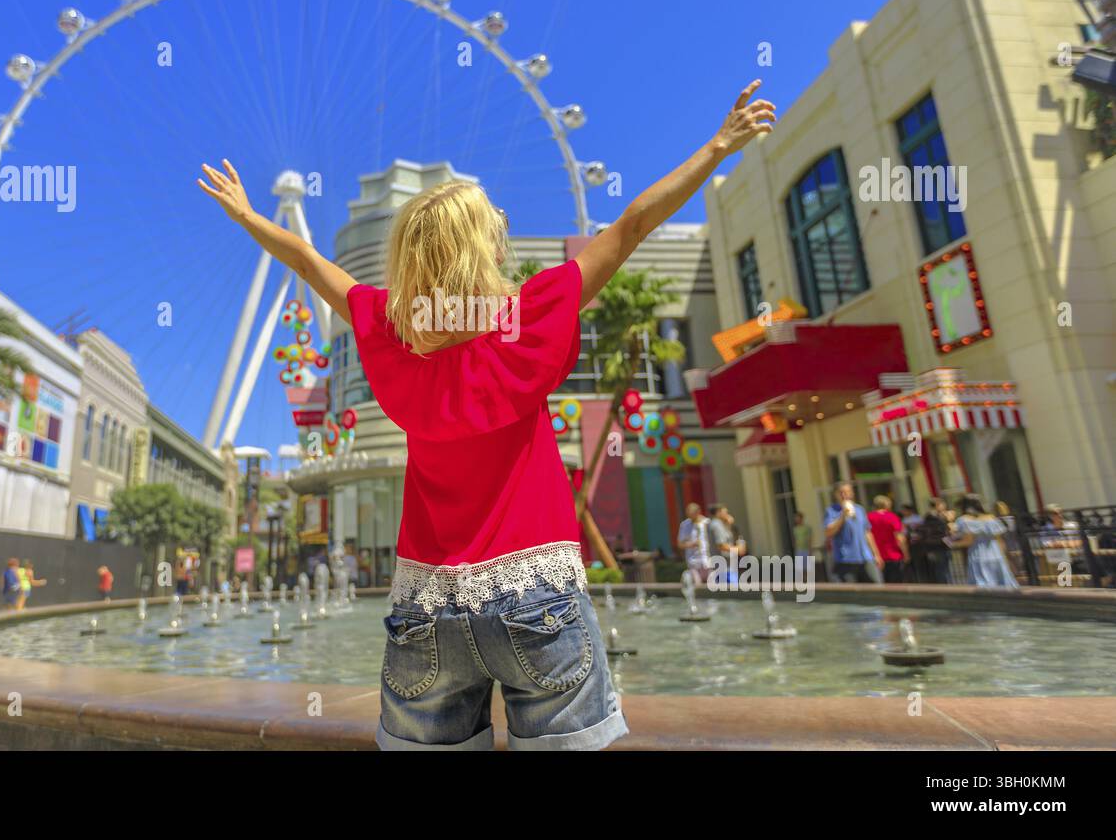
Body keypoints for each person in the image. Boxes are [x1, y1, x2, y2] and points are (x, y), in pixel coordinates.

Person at [197, 78, 776, 750]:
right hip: (537, 598)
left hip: (426, 611)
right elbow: (632, 226)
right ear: (486, 251)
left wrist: (245, 215)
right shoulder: (528, 316)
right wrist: (717, 147)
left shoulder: (388, 331)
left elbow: (307, 260)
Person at [950, 493, 1018, 588]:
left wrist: (952, 544)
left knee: (984, 587)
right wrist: (1005, 556)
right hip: (996, 555)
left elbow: (969, 541)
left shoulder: (964, 520)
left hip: (978, 557)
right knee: (1003, 585)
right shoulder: (991, 518)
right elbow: (999, 540)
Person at [822, 482, 883, 583]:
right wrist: (843, 516)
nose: (844, 495)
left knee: (876, 588)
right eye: (841, 493)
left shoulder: (860, 509)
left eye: (847, 492)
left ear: (852, 493)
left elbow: (867, 533)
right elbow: (828, 532)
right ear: (836, 495)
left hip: (865, 558)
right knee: (853, 595)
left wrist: (876, 554)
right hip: (846, 560)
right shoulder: (831, 511)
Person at [910, 499, 954, 584]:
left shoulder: (926, 518)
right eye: (943, 505)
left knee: (937, 570)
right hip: (940, 546)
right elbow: (946, 530)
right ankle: (946, 588)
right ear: (938, 505)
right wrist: (949, 520)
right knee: (943, 570)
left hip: (929, 547)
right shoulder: (938, 517)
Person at [867, 496, 908, 583]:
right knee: (897, 583)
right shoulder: (892, 517)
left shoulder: (869, 517)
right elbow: (900, 538)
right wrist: (906, 553)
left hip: (876, 556)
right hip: (894, 555)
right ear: (887, 505)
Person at [677, 502, 712, 585]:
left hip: (708, 560)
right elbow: (680, 544)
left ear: (698, 512)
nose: (690, 517)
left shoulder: (707, 523)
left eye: (692, 514)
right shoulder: (685, 525)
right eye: (688, 515)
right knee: (697, 587)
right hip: (693, 561)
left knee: (711, 586)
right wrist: (691, 544)